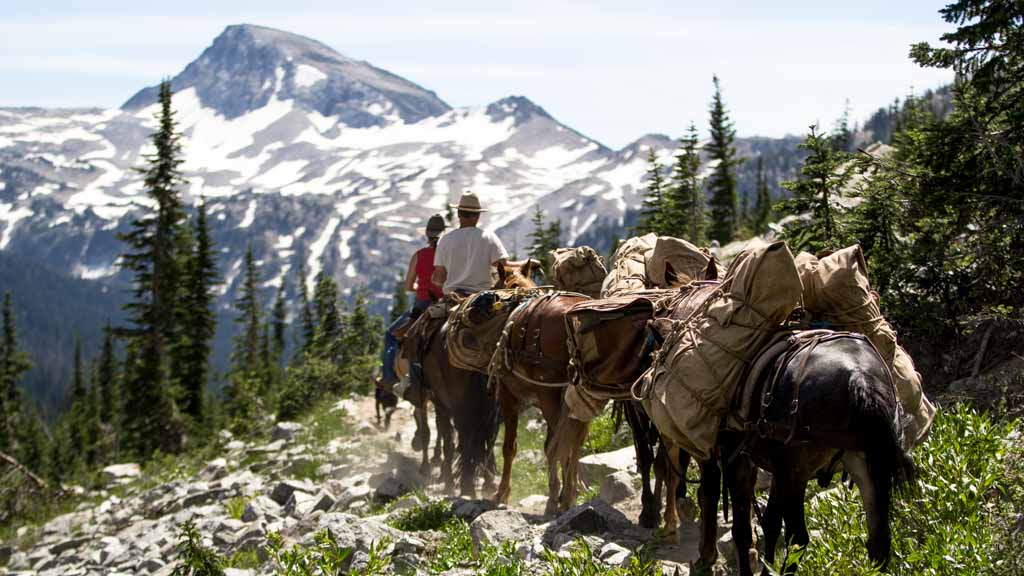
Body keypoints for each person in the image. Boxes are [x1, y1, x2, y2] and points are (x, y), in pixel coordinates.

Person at [380, 214, 446, 388]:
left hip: (423, 305)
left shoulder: (419, 255)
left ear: (427, 235)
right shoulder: (449, 256)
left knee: (390, 334)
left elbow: (408, 286)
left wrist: (421, 287)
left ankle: (388, 378)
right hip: (445, 302)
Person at [432, 191, 509, 296]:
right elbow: (502, 265)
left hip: (453, 297)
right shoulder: (488, 237)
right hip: (482, 298)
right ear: (477, 216)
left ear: (458, 213)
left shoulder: (445, 240)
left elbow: (439, 278)